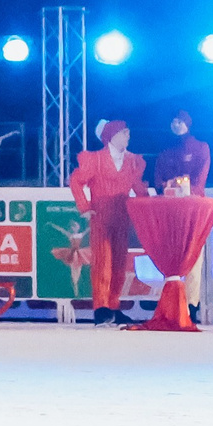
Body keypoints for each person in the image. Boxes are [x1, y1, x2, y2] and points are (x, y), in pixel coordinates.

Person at [69, 120, 147, 326]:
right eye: (124, 132)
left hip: (122, 217)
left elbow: (139, 188)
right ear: (112, 135)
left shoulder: (132, 161)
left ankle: (113, 305)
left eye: (128, 132)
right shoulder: (95, 159)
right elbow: (76, 180)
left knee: (119, 264)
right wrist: (84, 206)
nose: (128, 135)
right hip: (102, 218)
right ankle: (101, 307)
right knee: (103, 262)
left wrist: (149, 206)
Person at [153, 113, 210, 197]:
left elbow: (199, 182)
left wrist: (181, 185)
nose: (176, 125)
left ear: (188, 124)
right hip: (168, 200)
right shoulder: (165, 151)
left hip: (193, 201)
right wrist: (168, 185)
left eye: (179, 122)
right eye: (173, 122)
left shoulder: (201, 148)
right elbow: (158, 182)